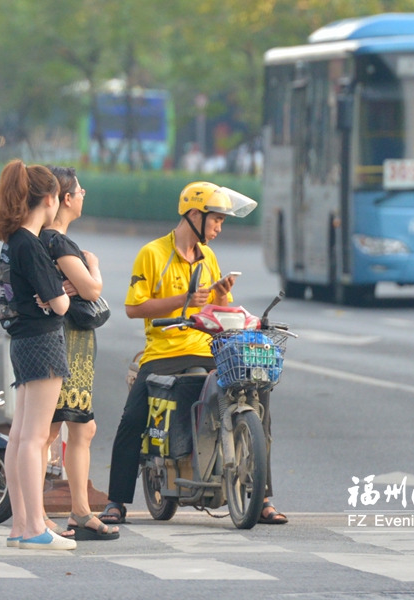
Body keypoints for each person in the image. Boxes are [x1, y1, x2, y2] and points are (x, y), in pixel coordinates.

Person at [98, 181, 285, 526]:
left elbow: (216, 309)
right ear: (195, 215)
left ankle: (262, 497)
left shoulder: (209, 257)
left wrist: (221, 295)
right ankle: (116, 501)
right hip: (164, 351)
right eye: (216, 220)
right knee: (131, 419)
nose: (219, 228)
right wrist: (185, 301)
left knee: (258, 397)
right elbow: (133, 307)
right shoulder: (152, 254)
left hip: (206, 349)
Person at [0, 160, 75, 551]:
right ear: (50, 198)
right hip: (42, 340)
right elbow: (59, 305)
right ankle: (34, 527)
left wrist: (53, 292)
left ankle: (22, 525)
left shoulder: (14, 241)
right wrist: (64, 290)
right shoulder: (33, 243)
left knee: (22, 436)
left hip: (22, 339)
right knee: (35, 438)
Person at [40, 166, 118, 541]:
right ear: (65, 199)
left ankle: (79, 511)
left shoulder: (45, 240)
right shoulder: (56, 242)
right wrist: (95, 268)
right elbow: (90, 290)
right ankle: (42, 513)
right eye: (80, 190)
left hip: (71, 344)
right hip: (65, 343)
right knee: (52, 429)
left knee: (79, 427)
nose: (84, 194)